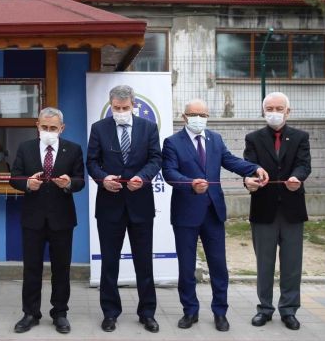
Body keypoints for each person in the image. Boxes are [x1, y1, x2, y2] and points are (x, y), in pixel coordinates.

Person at [162, 98, 268, 333]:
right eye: (194, 114)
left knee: (219, 266)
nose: (199, 119)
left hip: (213, 212)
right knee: (186, 267)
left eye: (203, 115)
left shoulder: (215, 139)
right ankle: (190, 311)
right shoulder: (172, 143)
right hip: (186, 213)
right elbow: (169, 172)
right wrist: (190, 183)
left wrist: (254, 168)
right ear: (184, 117)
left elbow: (230, 161)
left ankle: (220, 312)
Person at [86, 84, 162, 333]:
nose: (120, 112)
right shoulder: (99, 128)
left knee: (144, 262)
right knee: (109, 262)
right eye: (116, 108)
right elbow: (91, 162)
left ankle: (147, 313)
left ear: (133, 105)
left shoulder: (148, 127)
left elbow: (156, 159)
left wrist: (143, 177)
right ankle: (110, 313)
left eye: (124, 108)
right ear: (110, 106)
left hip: (141, 204)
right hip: (109, 205)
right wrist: (103, 179)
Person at [9, 107, 85, 334]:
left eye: (53, 128)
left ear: (62, 128)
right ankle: (30, 313)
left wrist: (69, 183)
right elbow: (14, 177)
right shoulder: (26, 148)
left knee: (61, 269)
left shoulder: (73, 149)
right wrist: (26, 183)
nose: (48, 131)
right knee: (31, 269)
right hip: (33, 219)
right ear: (37, 126)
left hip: (62, 219)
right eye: (44, 127)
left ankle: (60, 313)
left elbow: (80, 180)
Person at [242, 92, 311, 330]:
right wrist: (249, 181)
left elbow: (304, 164)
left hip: (292, 209)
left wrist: (297, 178)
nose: (274, 113)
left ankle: (289, 310)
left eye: (279, 108)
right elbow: (249, 166)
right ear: (263, 112)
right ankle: (264, 308)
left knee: (292, 264)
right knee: (265, 263)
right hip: (264, 209)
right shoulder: (253, 138)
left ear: (288, 112)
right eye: (269, 109)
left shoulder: (300, 137)